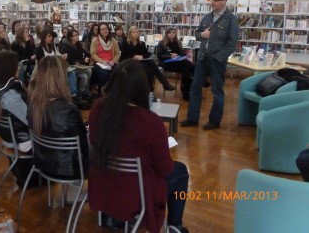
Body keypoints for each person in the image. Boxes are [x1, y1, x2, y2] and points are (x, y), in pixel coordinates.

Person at [89, 59, 189, 233]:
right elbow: (164, 169)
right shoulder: (150, 122)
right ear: (143, 88)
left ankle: (114, 215)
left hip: (104, 182)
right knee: (180, 171)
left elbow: (94, 143)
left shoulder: (98, 108)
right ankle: (175, 226)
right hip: (137, 192)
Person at [180, 0, 239, 130]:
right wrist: (203, 35)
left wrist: (219, 57)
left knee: (217, 91)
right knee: (195, 88)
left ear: (224, 1)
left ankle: (214, 121)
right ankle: (192, 118)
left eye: (215, 0)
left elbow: (232, 43)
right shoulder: (207, 17)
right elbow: (197, 34)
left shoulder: (231, 20)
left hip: (217, 60)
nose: (211, 2)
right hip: (202, 58)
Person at [28, 56, 89, 179]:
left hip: (44, 164)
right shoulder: (69, 110)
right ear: (61, 78)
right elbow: (84, 149)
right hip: (70, 169)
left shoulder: (32, 104)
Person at [0, 51, 33, 186]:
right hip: (23, 140)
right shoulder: (9, 94)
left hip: (9, 136)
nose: (20, 67)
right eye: (17, 65)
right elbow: (31, 120)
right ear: (8, 68)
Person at [120, 26, 176, 92]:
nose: (135, 34)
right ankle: (165, 84)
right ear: (130, 33)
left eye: (137, 32)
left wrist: (142, 56)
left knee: (150, 69)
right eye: (133, 32)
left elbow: (146, 55)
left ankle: (149, 91)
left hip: (141, 63)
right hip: (130, 63)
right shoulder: (125, 43)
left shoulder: (142, 43)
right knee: (151, 64)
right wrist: (133, 57)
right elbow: (122, 57)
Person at [156, 28, 195, 101]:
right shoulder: (161, 43)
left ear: (175, 34)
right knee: (186, 63)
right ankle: (197, 76)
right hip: (167, 63)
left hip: (178, 63)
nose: (171, 34)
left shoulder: (178, 42)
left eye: (173, 32)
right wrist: (170, 56)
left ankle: (186, 94)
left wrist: (178, 55)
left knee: (185, 70)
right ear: (167, 34)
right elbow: (159, 55)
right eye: (169, 33)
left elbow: (183, 52)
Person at [59, 29, 92, 100]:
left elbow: (86, 54)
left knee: (84, 76)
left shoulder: (78, 45)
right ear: (70, 37)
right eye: (75, 35)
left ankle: (81, 92)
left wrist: (86, 57)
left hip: (77, 66)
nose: (77, 37)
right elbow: (69, 61)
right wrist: (82, 61)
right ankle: (84, 92)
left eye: (78, 35)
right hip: (69, 68)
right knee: (88, 70)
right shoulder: (66, 47)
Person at [90, 22, 120, 95]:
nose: (104, 30)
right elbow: (93, 54)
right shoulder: (95, 40)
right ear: (99, 31)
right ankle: (101, 93)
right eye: (102, 29)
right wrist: (102, 61)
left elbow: (117, 54)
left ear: (109, 29)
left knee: (120, 71)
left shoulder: (113, 40)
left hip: (111, 62)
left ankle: (116, 94)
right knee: (104, 72)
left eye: (106, 28)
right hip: (99, 63)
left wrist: (113, 61)